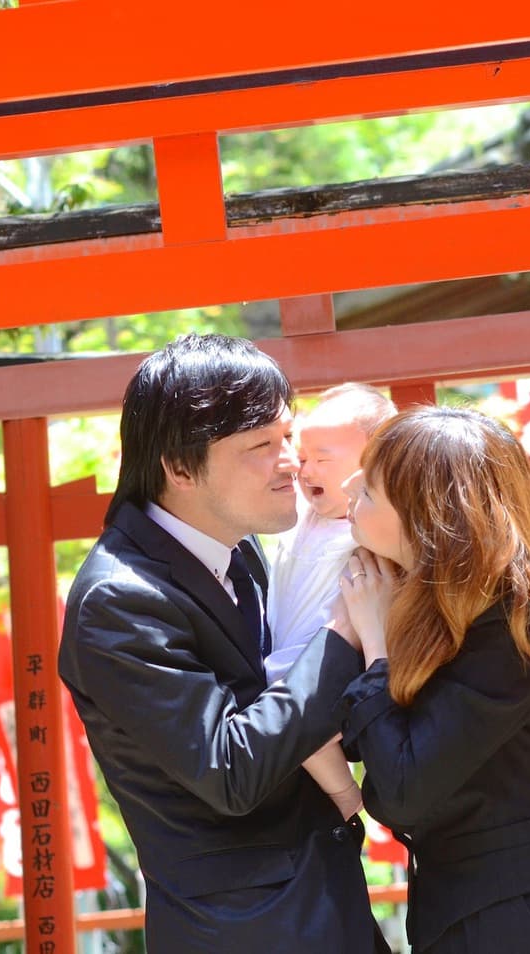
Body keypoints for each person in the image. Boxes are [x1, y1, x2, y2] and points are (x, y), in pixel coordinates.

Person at [59, 334, 386, 953]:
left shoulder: (241, 550)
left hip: (324, 903)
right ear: (180, 469)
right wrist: (346, 630)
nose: (291, 460)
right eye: (262, 446)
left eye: (288, 436)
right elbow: (229, 768)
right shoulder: (117, 602)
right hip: (243, 930)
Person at [337, 406, 530, 954]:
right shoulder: (447, 615)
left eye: (369, 489)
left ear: (426, 517)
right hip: (471, 916)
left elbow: (402, 791)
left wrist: (374, 644)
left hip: (512, 920)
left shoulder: (513, 630)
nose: (348, 490)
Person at [266, 383, 397, 820]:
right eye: (302, 458)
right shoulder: (301, 515)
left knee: (297, 710)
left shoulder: (369, 528)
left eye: (323, 459)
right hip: (284, 647)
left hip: (325, 660)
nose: (306, 471)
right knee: (280, 697)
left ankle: (344, 793)